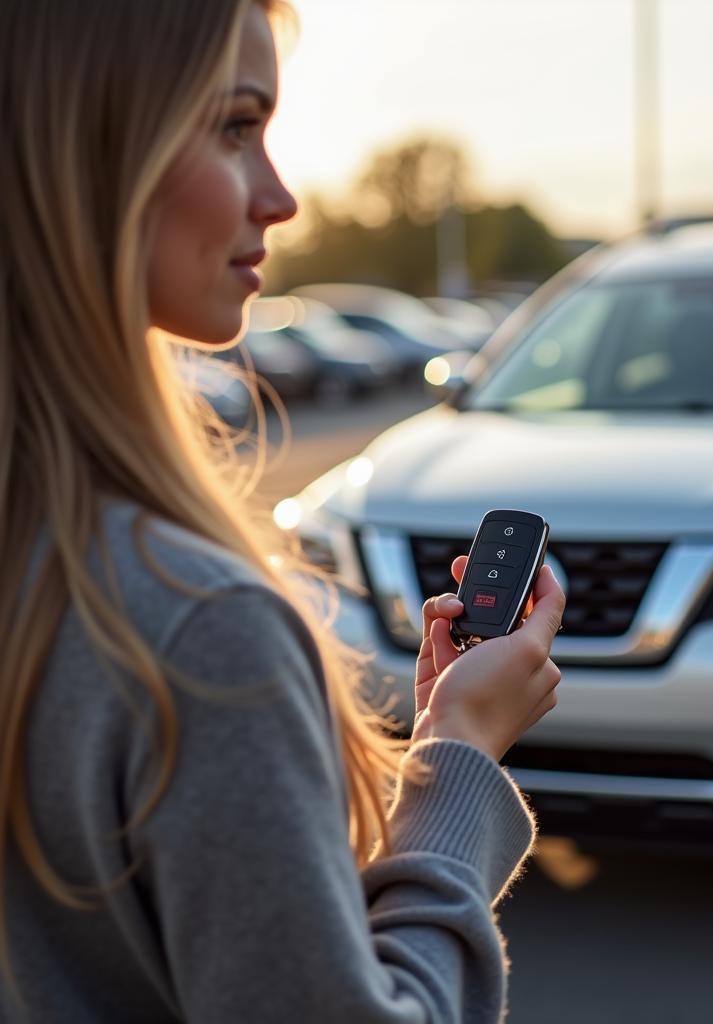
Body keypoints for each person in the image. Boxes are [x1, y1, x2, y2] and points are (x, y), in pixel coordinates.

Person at [0, 1, 564, 1021]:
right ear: (92, 150)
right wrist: (462, 751)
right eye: (232, 125)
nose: (282, 197)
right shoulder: (198, 630)